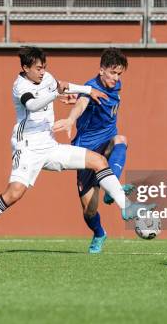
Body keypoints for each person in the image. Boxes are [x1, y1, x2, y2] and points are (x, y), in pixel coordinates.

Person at [0, 47, 153, 255]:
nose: (42, 72)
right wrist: (57, 94)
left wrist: (86, 91)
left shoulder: (48, 78)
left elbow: (63, 86)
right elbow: (32, 104)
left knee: (98, 161)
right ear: (25, 68)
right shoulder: (20, 86)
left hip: (49, 146)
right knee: (14, 194)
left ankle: (127, 207)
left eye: (44, 68)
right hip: (27, 148)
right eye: (38, 69)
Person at [53, 48, 133, 254]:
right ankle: (99, 233)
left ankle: (111, 189)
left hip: (106, 143)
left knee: (121, 139)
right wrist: (71, 119)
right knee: (89, 211)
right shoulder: (91, 87)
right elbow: (82, 102)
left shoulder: (116, 86)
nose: (116, 78)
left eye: (119, 74)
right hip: (85, 152)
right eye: (112, 73)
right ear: (101, 71)